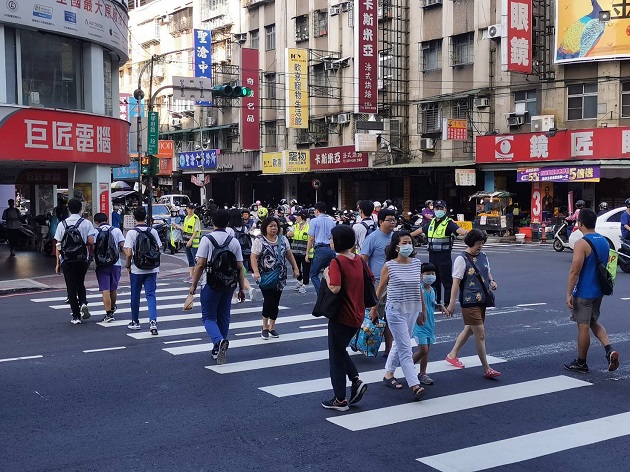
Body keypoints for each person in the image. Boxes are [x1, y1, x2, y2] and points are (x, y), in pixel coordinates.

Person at [370, 231, 426, 401]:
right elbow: (380, 290)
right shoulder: (390, 265)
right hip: (395, 310)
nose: (408, 245)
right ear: (396, 246)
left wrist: (422, 310)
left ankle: (388, 374)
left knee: (402, 342)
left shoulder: (417, 264)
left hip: (413, 308)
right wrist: (374, 309)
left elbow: (419, 288)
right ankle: (414, 384)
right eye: (404, 243)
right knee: (405, 347)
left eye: (410, 242)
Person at [321, 225, 372, 411]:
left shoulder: (337, 262)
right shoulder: (358, 260)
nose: (330, 242)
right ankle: (355, 380)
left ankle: (340, 399)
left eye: (332, 239)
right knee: (340, 349)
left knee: (336, 355)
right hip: (358, 314)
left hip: (341, 315)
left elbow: (334, 287)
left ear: (338, 241)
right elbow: (370, 278)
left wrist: (326, 275)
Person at [564, 208, 619, 373]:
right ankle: (609, 350)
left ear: (580, 223)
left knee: (583, 326)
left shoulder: (581, 243)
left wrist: (568, 293)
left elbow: (575, 271)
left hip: (584, 292)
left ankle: (581, 362)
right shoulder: (603, 241)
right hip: (598, 291)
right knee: (593, 322)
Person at [190, 209, 246, 365]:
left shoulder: (207, 239)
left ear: (212, 222)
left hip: (211, 283)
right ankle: (217, 348)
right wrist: (241, 288)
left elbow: (200, 264)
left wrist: (193, 284)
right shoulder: (233, 241)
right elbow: (240, 267)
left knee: (208, 316)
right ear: (227, 223)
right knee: (224, 315)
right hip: (229, 284)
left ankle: (218, 341)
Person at [444, 229, 501, 379]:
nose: (480, 246)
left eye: (482, 243)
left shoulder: (483, 256)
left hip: (482, 299)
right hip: (469, 301)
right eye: (478, 243)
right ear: (470, 242)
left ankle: (452, 354)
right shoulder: (461, 259)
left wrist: (492, 280)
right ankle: (486, 368)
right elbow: (455, 283)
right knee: (480, 334)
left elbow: (487, 271)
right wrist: (452, 303)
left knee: (470, 329)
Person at [251, 216, 300, 340]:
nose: (274, 228)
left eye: (275, 226)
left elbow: (289, 255)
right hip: (265, 276)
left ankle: (272, 327)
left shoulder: (283, 239)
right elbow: (254, 257)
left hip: (280, 276)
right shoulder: (259, 241)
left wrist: (295, 268)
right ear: (265, 227)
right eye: (271, 226)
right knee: (269, 301)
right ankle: (264, 327)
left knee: (276, 302)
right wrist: (256, 271)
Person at [411, 200, 467, 307]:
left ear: (445, 209)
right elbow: (421, 230)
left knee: (446, 282)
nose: (439, 210)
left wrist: (466, 232)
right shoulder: (431, 222)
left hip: (444, 257)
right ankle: (435, 302)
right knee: (434, 281)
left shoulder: (448, 222)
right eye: (437, 208)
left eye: (441, 208)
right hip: (432, 256)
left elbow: (457, 229)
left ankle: (447, 303)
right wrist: (409, 235)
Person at [361, 208, 397, 355]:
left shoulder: (396, 238)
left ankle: (390, 349)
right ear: (381, 222)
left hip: (395, 283)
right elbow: (363, 261)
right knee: (375, 316)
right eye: (390, 220)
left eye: (394, 220)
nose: (393, 222)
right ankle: (365, 343)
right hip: (377, 282)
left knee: (392, 317)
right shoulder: (372, 238)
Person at [53, 198, 95, 324]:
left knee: (71, 287)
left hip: (67, 259)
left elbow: (58, 245)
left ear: (68, 209)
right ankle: (83, 303)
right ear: (80, 209)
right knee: (80, 283)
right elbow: (91, 242)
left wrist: (57, 263)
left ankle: (76, 316)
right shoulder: (86, 223)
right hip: (82, 259)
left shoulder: (62, 224)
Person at [124, 206, 162, 334]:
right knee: (151, 295)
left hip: (137, 269)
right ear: (145, 217)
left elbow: (128, 253)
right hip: (152, 268)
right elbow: (159, 249)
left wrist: (128, 266)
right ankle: (153, 322)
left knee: (135, 295)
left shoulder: (131, 233)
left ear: (134, 217)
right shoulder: (153, 231)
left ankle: (135, 321)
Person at [412, 263, 446, 385]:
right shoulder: (419, 289)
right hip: (419, 324)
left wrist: (441, 306)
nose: (430, 276)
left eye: (433, 274)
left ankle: (422, 373)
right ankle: (409, 368)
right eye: (427, 274)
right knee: (423, 350)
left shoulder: (432, 290)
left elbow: (432, 304)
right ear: (421, 276)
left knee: (427, 351)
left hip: (430, 324)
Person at [93, 213, 125, 323]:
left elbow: (92, 247)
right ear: (107, 219)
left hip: (101, 264)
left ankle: (108, 314)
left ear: (96, 222)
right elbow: (122, 246)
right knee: (113, 289)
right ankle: (112, 307)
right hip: (116, 263)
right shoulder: (116, 230)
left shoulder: (95, 232)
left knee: (105, 290)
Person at [305, 202, 336, 295]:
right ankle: (330, 293)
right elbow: (333, 237)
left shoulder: (314, 221)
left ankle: (321, 294)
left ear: (317, 211)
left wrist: (307, 253)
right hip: (330, 249)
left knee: (314, 274)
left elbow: (311, 238)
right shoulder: (332, 221)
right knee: (329, 273)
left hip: (320, 249)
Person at [175, 203, 201, 283]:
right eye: (189, 208)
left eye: (192, 208)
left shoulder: (195, 218)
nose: (191, 210)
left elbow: (196, 231)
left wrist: (190, 241)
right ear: (186, 209)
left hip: (194, 242)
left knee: (196, 260)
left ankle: (197, 277)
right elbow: (185, 228)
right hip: (186, 241)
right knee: (190, 260)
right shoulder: (186, 218)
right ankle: (191, 276)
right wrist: (177, 226)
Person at [287, 210, 310, 294]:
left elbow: (311, 239)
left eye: (298, 216)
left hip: (305, 252)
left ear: (302, 217)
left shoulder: (309, 226)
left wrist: (308, 253)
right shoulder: (295, 226)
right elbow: (288, 234)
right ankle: (300, 281)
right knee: (295, 267)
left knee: (306, 269)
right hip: (295, 251)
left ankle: (304, 285)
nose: (296, 218)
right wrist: (290, 234)